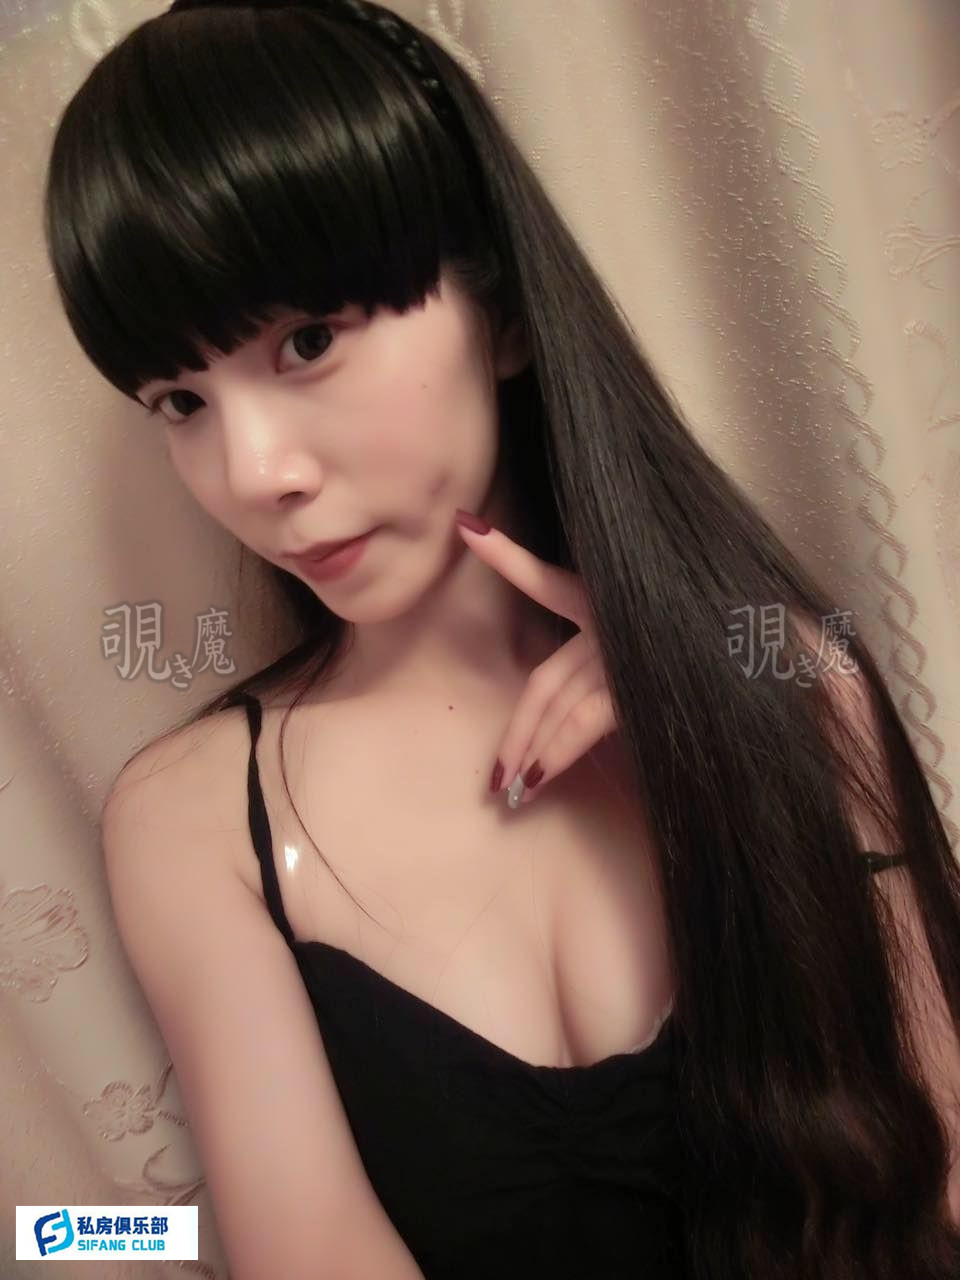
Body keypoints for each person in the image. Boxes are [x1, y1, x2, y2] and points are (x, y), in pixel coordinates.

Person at [42, 2, 960, 1277]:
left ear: (506, 312)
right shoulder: (197, 822)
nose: (255, 474)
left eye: (308, 341)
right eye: (181, 400)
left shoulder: (790, 677)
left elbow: (938, 1175)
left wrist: (742, 716)